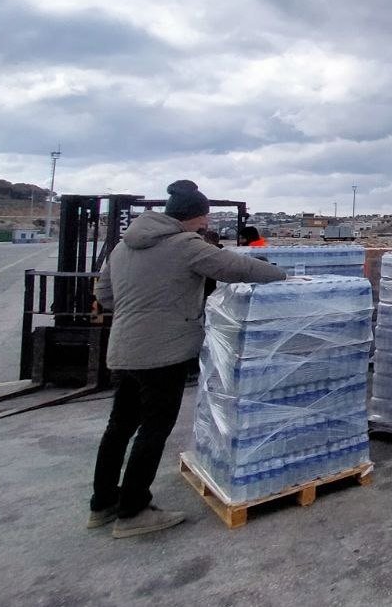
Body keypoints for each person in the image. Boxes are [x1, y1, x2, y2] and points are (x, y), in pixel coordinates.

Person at [89, 180, 287, 538]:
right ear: (192, 216)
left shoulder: (122, 247)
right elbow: (237, 268)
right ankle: (133, 512)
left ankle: (102, 503)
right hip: (162, 353)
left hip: (123, 350)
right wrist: (284, 277)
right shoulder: (184, 245)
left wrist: (141, 313)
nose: (206, 225)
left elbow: (104, 294)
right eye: (204, 218)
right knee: (154, 428)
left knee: (119, 426)